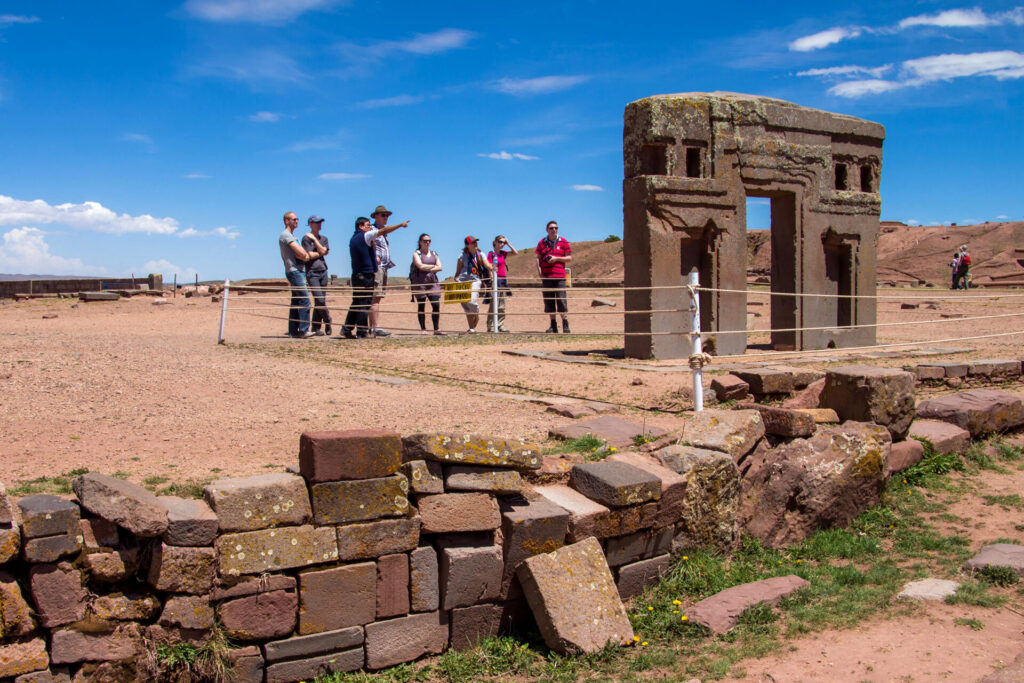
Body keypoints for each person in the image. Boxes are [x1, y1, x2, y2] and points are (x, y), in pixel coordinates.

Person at [340, 216, 408, 338]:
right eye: (367, 225)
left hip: (357, 274)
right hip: (365, 275)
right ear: (361, 226)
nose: (369, 227)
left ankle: (347, 328)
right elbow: (384, 230)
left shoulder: (354, 238)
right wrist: (400, 225)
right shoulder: (365, 236)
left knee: (357, 302)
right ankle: (362, 331)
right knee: (364, 303)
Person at [278, 211, 321, 338]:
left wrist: (304, 255)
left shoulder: (293, 236)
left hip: (298, 270)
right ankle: (303, 330)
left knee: (296, 301)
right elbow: (302, 253)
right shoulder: (286, 235)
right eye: (294, 219)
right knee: (305, 300)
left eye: (297, 219)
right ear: (287, 221)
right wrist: (305, 256)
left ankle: (293, 330)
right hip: (295, 271)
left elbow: (302, 253)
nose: (296, 221)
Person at [368, 205, 409, 337]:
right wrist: (400, 225)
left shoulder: (383, 232)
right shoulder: (373, 229)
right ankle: (375, 327)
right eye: (383, 215)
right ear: (376, 216)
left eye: (387, 215)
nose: (386, 218)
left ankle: (372, 327)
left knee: (377, 297)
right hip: (377, 268)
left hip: (384, 267)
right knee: (375, 297)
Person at [535, 220, 573, 333]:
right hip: (547, 276)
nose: (554, 230)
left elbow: (569, 258)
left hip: (560, 276)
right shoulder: (542, 242)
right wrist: (540, 272)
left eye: (556, 228)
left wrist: (556, 259)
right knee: (549, 300)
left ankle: (565, 324)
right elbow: (538, 258)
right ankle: (553, 325)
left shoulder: (563, 241)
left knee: (561, 299)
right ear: (547, 230)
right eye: (551, 228)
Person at [454, 235, 493, 334]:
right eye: (473, 242)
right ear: (467, 245)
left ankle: (476, 314)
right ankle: (471, 328)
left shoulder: (480, 254)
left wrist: (492, 268)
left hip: (475, 280)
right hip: (462, 282)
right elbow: (458, 270)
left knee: (471, 301)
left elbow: (487, 265)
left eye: (476, 242)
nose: (475, 244)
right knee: (466, 306)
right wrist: (456, 279)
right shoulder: (462, 255)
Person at [410, 233, 445, 335]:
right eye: (425, 241)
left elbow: (440, 267)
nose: (427, 242)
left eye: (429, 240)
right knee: (421, 306)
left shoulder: (434, 253)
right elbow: (420, 266)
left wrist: (427, 267)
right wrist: (433, 267)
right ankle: (423, 329)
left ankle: (436, 329)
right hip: (420, 282)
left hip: (433, 282)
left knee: (436, 304)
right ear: (420, 242)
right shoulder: (416, 254)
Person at [301, 216, 331, 335]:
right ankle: (328, 320)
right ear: (310, 224)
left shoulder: (323, 238)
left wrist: (315, 239)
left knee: (321, 300)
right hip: (312, 272)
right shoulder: (306, 238)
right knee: (319, 299)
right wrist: (321, 251)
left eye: (320, 222)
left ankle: (316, 327)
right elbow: (310, 255)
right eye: (316, 222)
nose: (319, 224)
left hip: (323, 271)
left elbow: (325, 252)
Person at [486, 235, 517, 332]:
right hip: (495, 280)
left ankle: (500, 325)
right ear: (495, 242)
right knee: (493, 304)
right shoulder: (491, 254)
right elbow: (489, 267)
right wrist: (492, 280)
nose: (502, 244)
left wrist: (508, 243)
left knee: (502, 305)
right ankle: (491, 326)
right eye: (500, 242)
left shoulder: (503, 253)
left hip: (503, 281)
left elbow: (515, 253)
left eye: (504, 242)